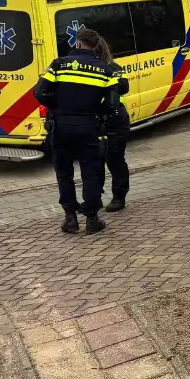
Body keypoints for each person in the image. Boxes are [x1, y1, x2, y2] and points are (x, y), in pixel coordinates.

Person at [34, 28, 120, 234]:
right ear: (96, 45)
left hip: (60, 125)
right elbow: (113, 103)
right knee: (90, 172)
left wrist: (56, 107)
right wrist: (98, 112)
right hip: (88, 126)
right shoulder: (105, 69)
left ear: (78, 43)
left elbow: (39, 92)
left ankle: (70, 218)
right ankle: (92, 219)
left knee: (64, 173)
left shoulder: (58, 65)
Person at [92, 37, 130, 212]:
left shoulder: (113, 69)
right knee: (94, 162)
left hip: (114, 120)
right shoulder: (87, 70)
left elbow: (123, 86)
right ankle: (95, 197)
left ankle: (118, 197)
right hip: (94, 120)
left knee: (115, 159)